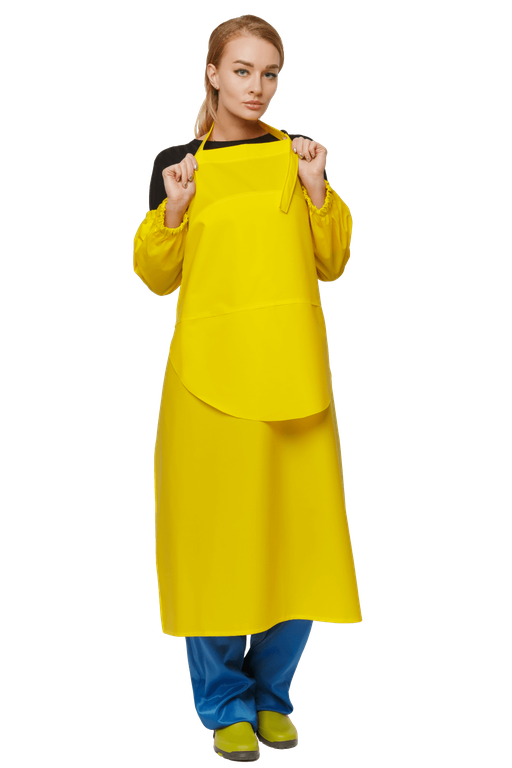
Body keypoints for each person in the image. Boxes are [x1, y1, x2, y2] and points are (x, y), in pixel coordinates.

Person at [132, 14, 363, 763]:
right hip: (208, 389)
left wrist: (317, 190)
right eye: (242, 70)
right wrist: (173, 208)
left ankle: (272, 693)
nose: (257, 87)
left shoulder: (299, 158)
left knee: (298, 547)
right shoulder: (178, 165)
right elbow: (155, 276)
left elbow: (333, 262)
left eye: (269, 74)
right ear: (212, 74)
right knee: (214, 549)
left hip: (294, 384)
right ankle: (222, 699)